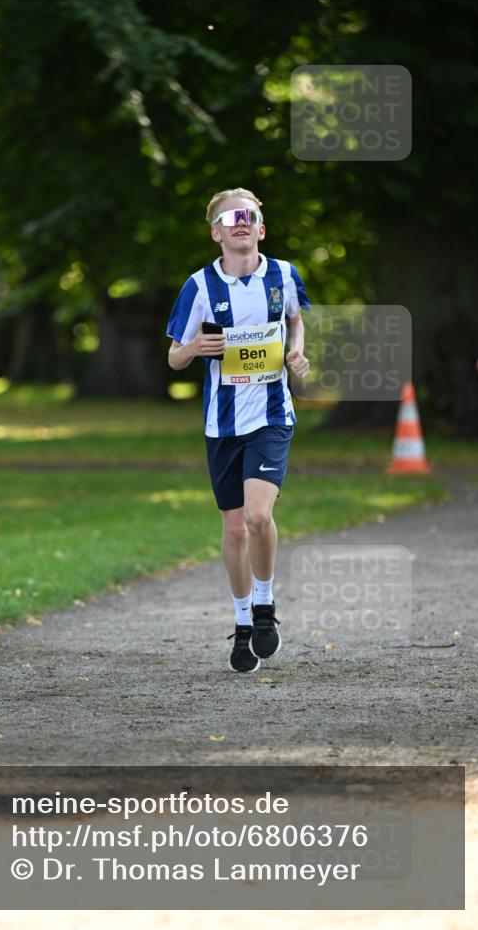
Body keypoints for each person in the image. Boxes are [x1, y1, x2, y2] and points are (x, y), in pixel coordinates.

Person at [166, 187, 311, 673]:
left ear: (261, 228)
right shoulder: (200, 286)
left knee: (255, 518)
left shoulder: (285, 275)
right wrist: (195, 350)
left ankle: (266, 606)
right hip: (222, 424)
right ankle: (243, 620)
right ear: (217, 233)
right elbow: (174, 355)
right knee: (232, 528)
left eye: (249, 215)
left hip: (271, 415)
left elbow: (295, 321)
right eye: (231, 217)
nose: (241, 221)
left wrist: (296, 352)